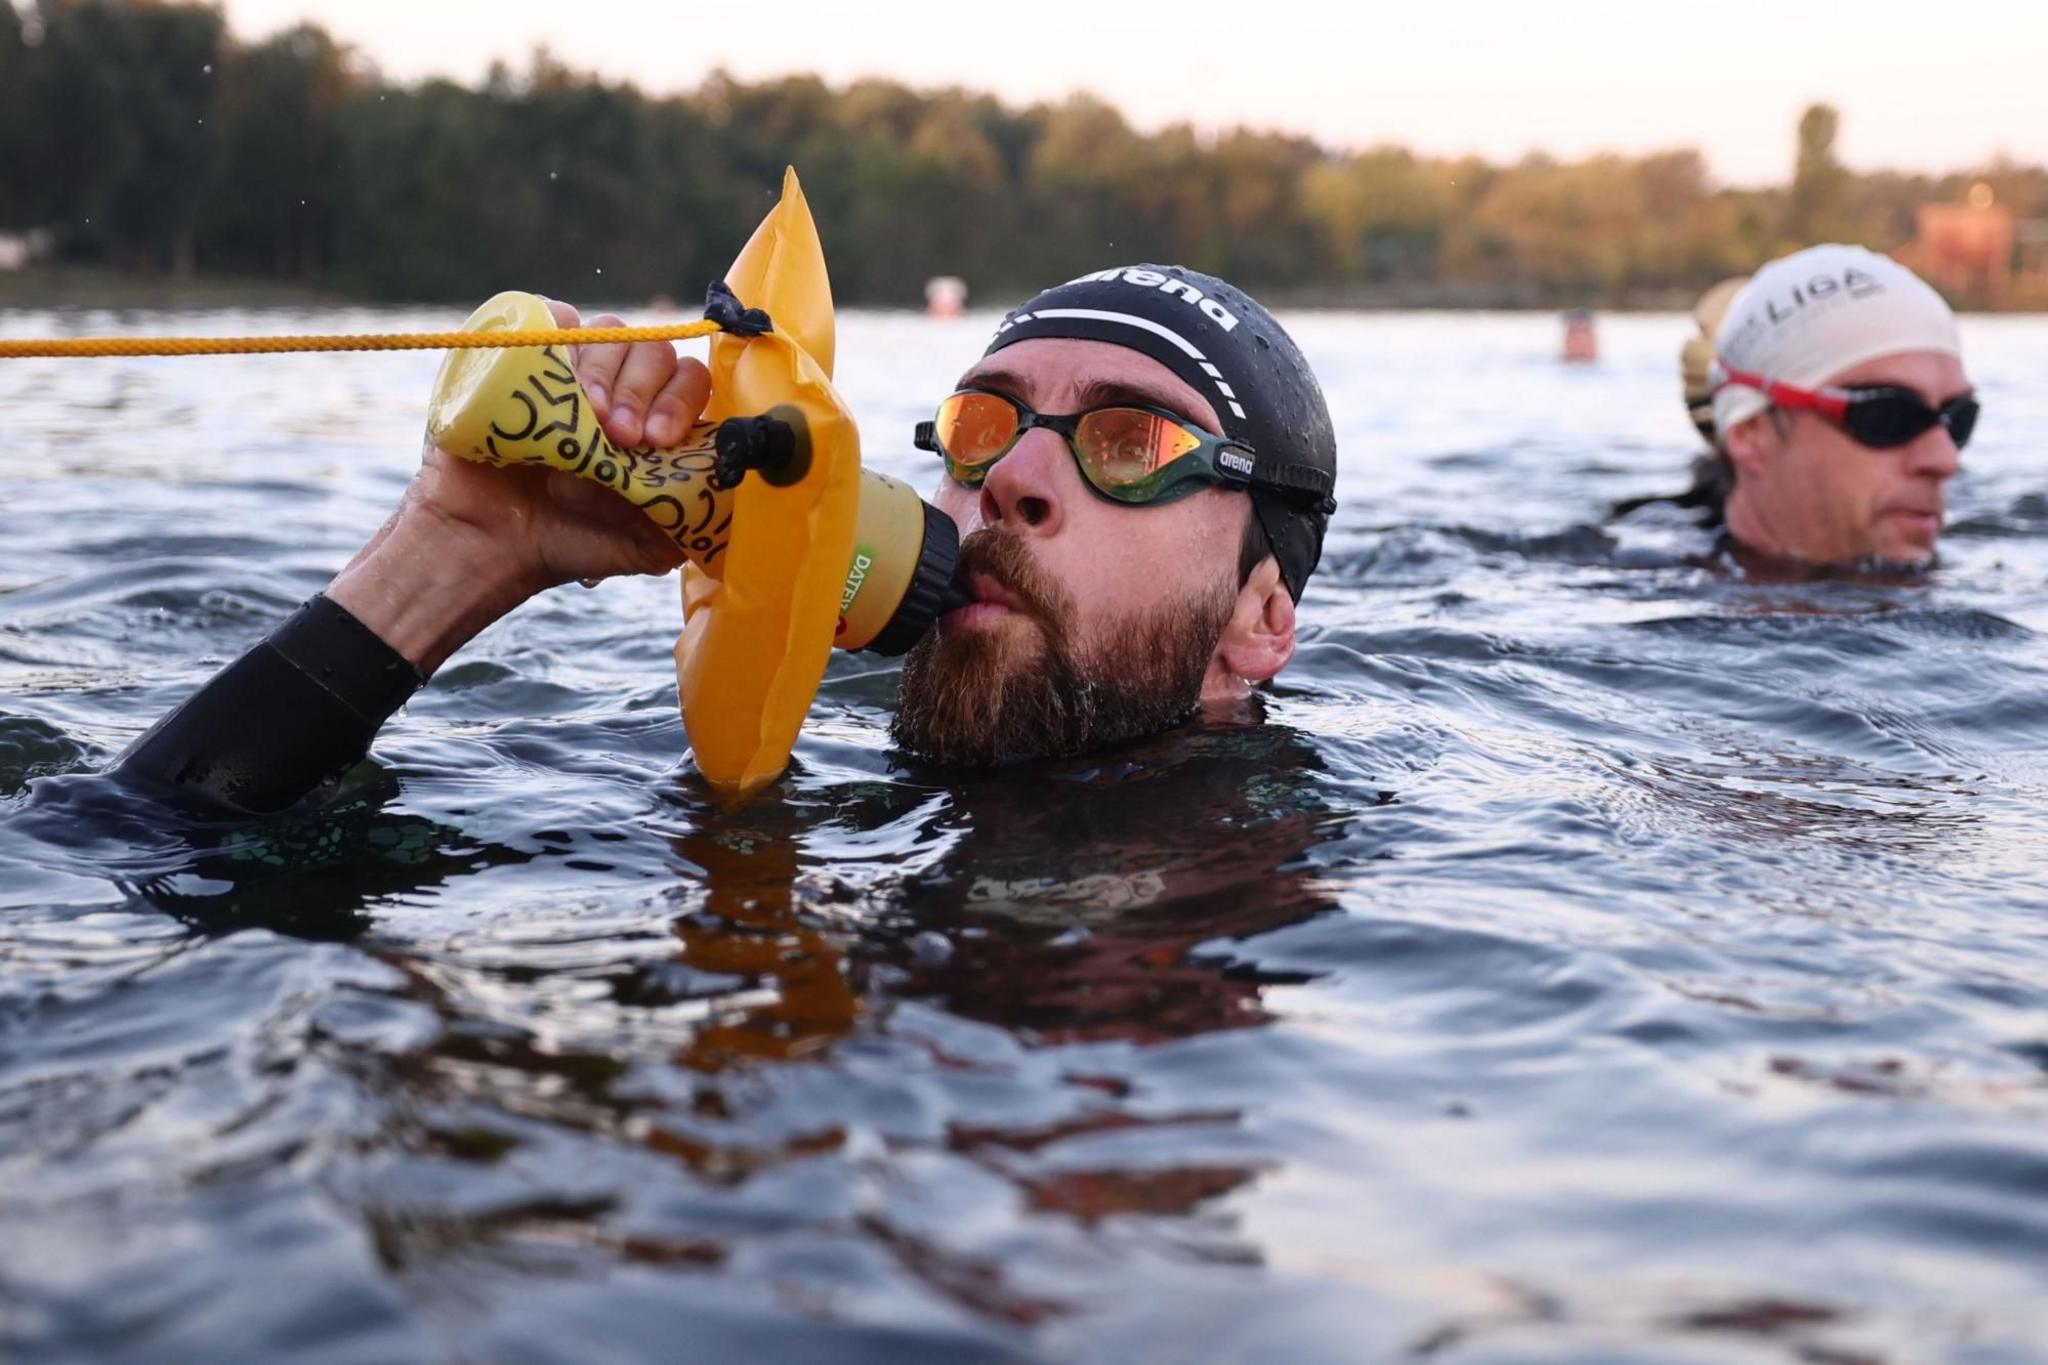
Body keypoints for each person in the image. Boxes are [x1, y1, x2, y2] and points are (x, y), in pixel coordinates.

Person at [113, 266, 1339, 812]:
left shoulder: (1322, 899)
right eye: (981, 425)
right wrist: (460, 553)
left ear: (1261, 619)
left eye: (1131, 444)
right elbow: (133, 868)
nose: (1011, 477)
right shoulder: (768, 793)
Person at [1633, 246, 1976, 572]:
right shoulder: (1633, 590)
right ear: (1749, 433)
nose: (1945, 460)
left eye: (1958, 419)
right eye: (1888, 415)